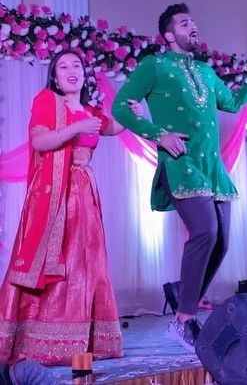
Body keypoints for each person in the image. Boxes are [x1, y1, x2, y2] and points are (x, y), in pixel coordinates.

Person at [112, 3, 247, 351]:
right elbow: (120, 107)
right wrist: (159, 135)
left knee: (222, 241)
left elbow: (232, 103)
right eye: (185, 23)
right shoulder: (154, 66)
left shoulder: (205, 71)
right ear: (169, 35)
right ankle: (185, 318)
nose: (193, 26)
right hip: (181, 162)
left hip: (212, 166)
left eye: (194, 21)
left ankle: (182, 312)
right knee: (206, 231)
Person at [0, 50, 143, 365]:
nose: (71, 70)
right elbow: (40, 142)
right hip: (55, 193)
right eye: (63, 67)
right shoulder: (47, 101)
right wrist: (77, 128)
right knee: (58, 262)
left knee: (87, 264)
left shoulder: (90, 111)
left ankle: (85, 340)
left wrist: (132, 114)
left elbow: (111, 128)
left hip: (84, 192)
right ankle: (41, 341)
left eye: (76, 65)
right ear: (54, 77)